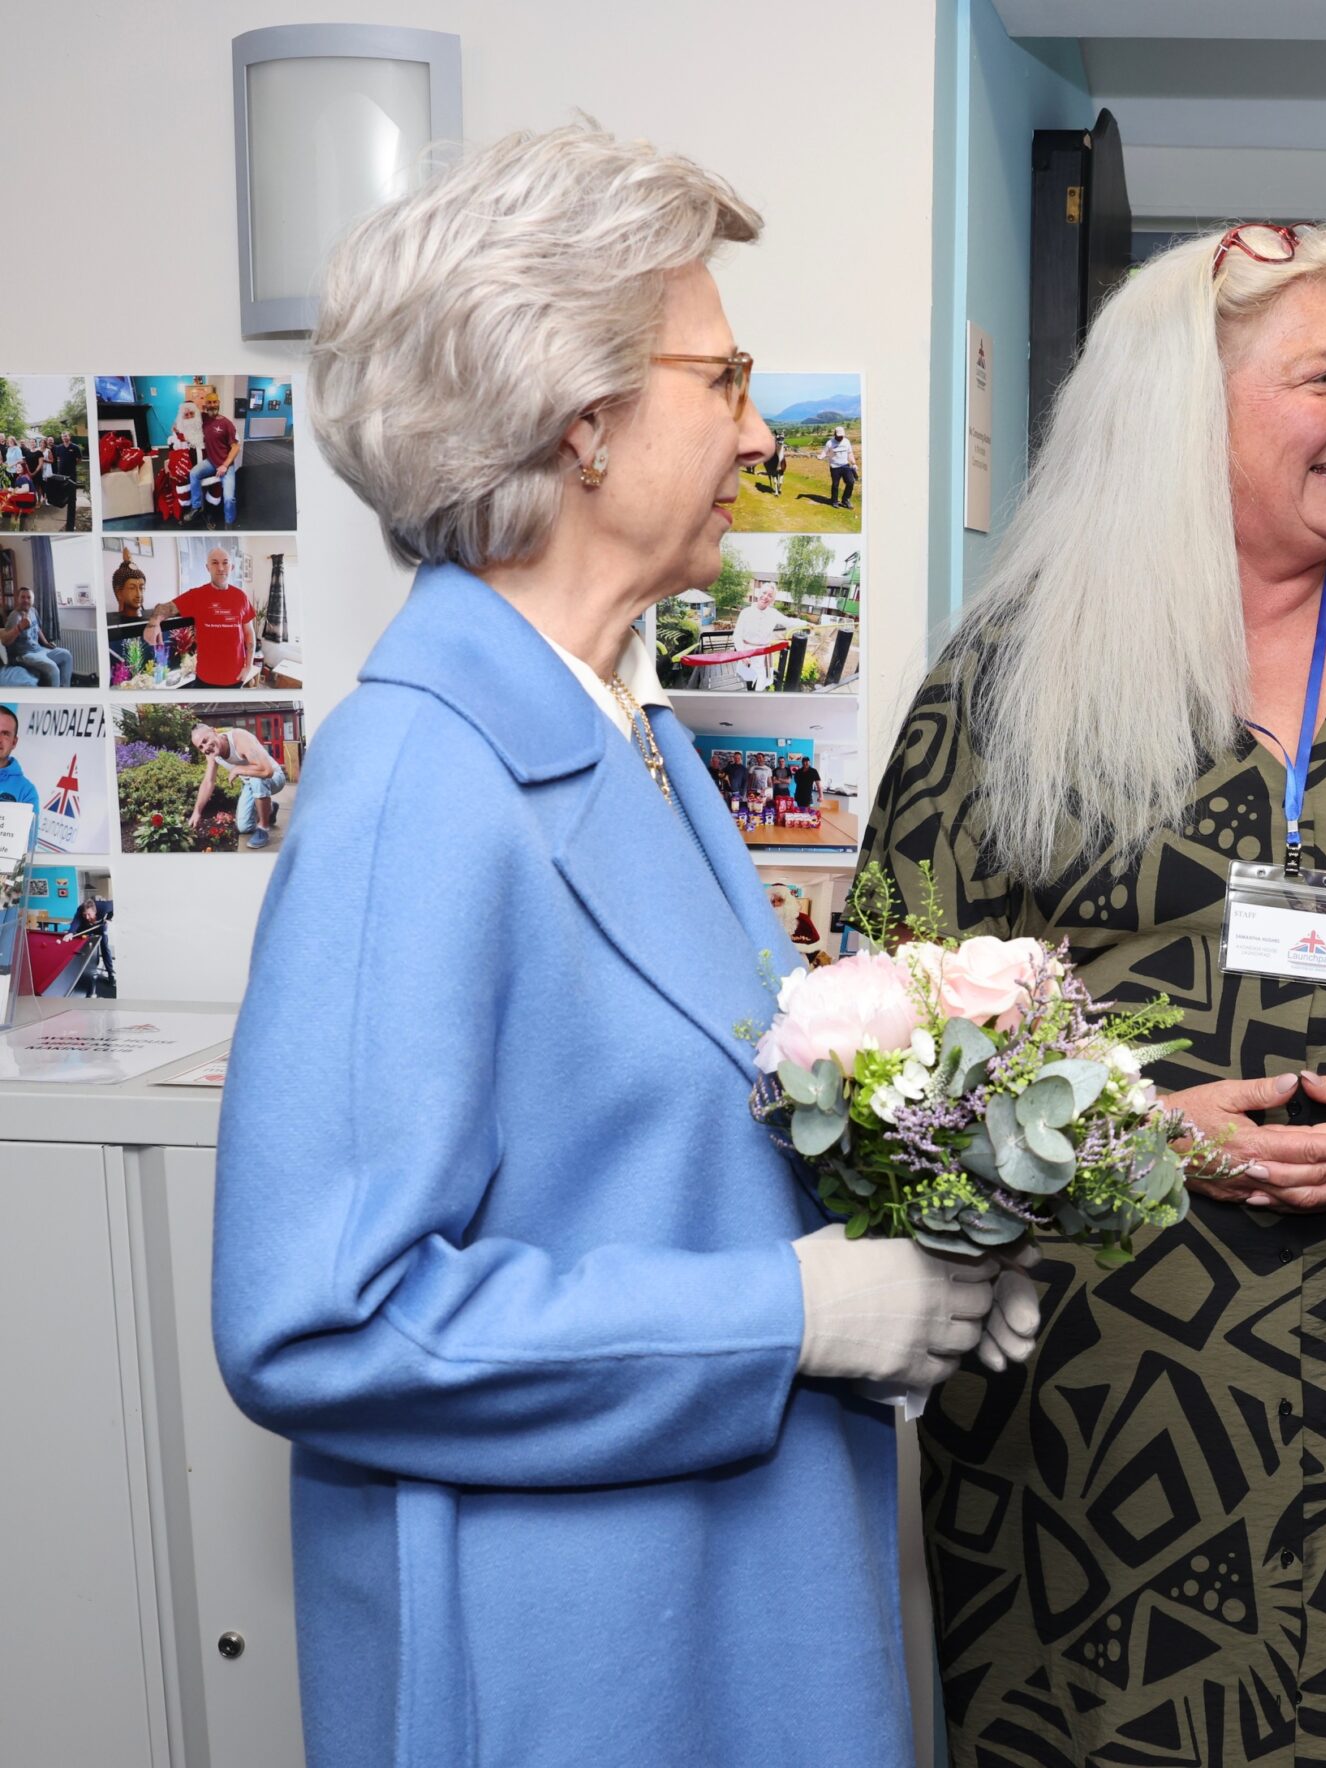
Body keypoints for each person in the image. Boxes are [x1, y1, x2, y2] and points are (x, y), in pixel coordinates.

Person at [212, 122, 1031, 1768]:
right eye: (723, 382)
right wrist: (796, 1317)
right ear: (584, 425)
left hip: (709, 1608)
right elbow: (318, 1312)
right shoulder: (420, 782)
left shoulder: (626, 733)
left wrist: (926, 1255)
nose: (755, 430)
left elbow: (667, 1161)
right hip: (566, 1665)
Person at [865, 220, 1326, 1766]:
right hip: (1090, 1355)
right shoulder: (1016, 670)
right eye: (1317, 375)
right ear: (1179, 420)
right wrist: (1139, 1123)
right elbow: (901, 1009)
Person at [141, 544, 259, 688]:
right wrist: (153, 622)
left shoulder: (241, 597)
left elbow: (249, 633)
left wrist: (248, 667)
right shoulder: (196, 596)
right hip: (205, 678)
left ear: (232, 567)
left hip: (236, 677)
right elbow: (165, 607)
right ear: (208, 567)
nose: (220, 568)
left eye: (225, 563)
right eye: (215, 563)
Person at [184, 721, 285, 849]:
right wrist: (197, 812)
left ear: (214, 731)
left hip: (274, 777)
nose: (205, 748)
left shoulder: (239, 738)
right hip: (251, 783)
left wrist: (238, 769)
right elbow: (208, 781)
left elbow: (267, 771)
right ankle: (269, 808)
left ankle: (263, 828)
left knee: (256, 779)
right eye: (201, 747)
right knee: (243, 827)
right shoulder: (211, 753)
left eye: (205, 740)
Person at [5, 586, 75, 686]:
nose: (26, 600)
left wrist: (46, 643)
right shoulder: (14, 616)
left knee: (66, 655)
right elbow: (6, 640)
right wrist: (20, 627)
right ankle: (54, 700)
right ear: (18, 599)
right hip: (24, 654)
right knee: (53, 668)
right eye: (23, 597)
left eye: (28, 597)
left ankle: (64, 692)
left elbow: (37, 628)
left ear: (32, 600)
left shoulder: (33, 611)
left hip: (39, 649)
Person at [186, 397, 239, 526]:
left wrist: (225, 466)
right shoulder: (204, 419)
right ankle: (197, 506)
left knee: (229, 499)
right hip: (211, 462)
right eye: (209, 402)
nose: (212, 405)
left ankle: (229, 523)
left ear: (219, 403)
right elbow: (189, 412)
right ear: (206, 405)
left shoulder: (227, 424)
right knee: (194, 473)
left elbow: (236, 447)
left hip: (226, 465)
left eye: (214, 402)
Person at [823, 426, 856, 506]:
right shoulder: (829, 443)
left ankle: (845, 500)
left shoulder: (846, 442)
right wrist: (820, 456)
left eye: (842, 436)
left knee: (851, 482)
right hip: (834, 467)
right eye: (839, 436)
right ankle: (834, 501)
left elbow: (850, 453)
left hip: (845, 465)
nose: (840, 437)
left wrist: (854, 463)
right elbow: (824, 452)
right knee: (835, 484)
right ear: (835, 434)